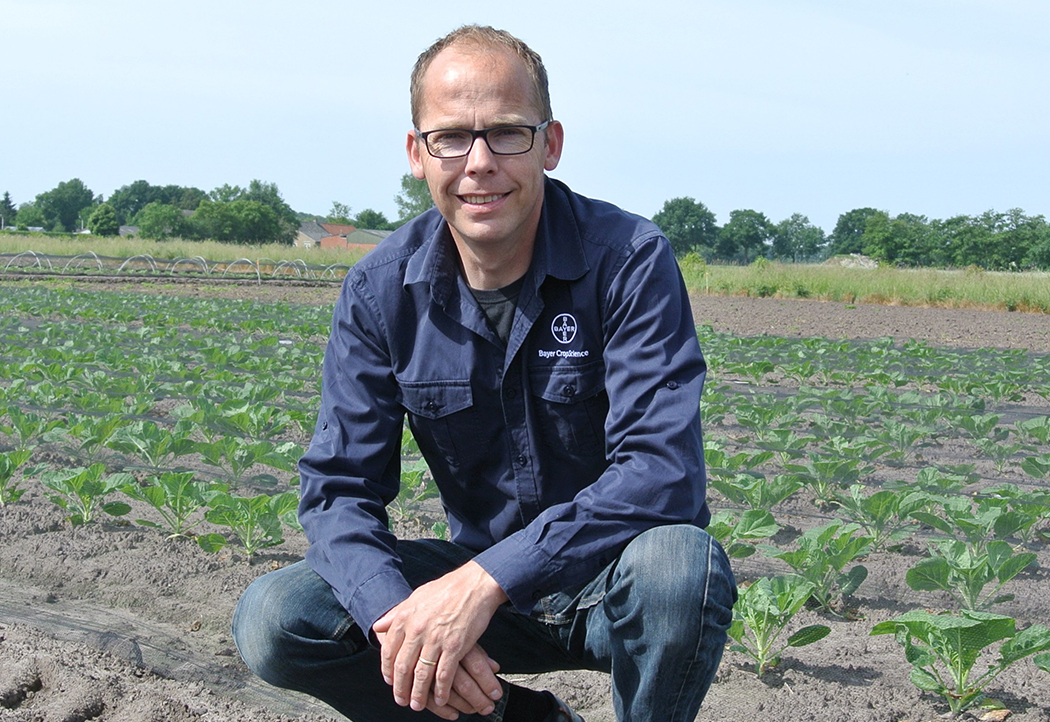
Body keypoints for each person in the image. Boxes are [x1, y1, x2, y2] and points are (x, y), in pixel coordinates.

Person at [232, 24, 736, 722]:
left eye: (506, 132)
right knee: (278, 615)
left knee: (681, 567)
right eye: (450, 137)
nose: (479, 162)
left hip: (610, 581)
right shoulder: (382, 290)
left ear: (550, 144)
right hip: (479, 592)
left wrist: (488, 579)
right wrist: (401, 621)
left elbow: (662, 472)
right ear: (417, 153)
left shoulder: (627, 259)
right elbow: (339, 490)